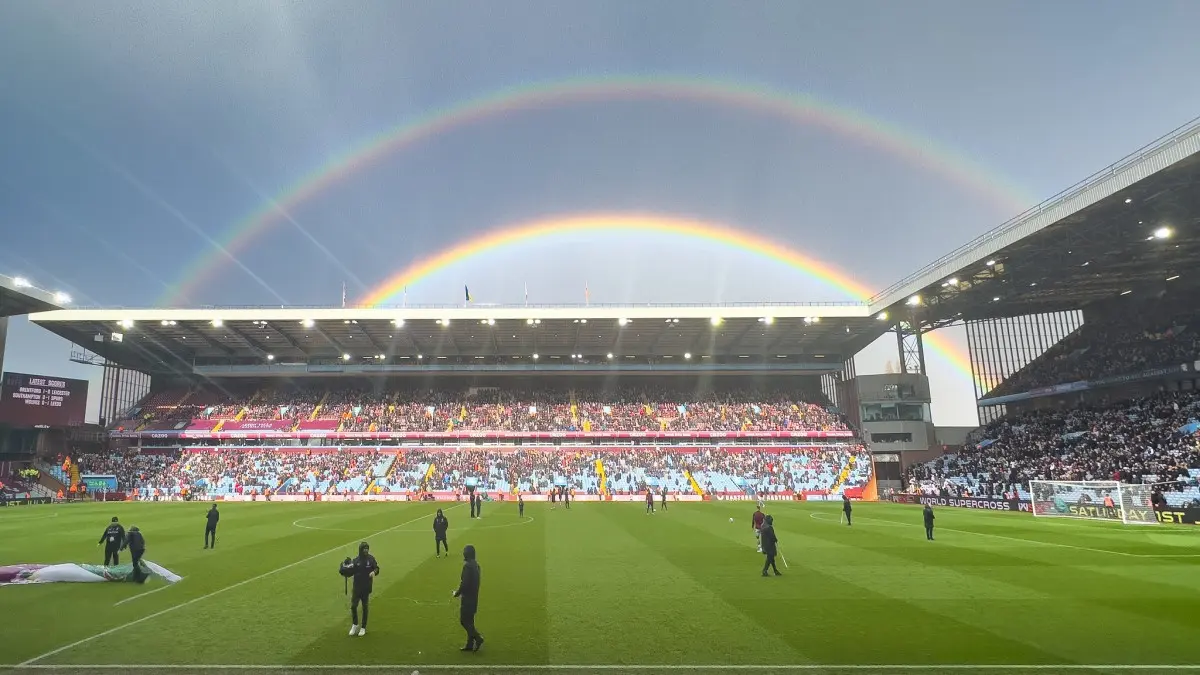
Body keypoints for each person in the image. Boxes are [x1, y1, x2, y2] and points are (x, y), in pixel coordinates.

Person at [339, 542, 379, 637]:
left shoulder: (371, 559)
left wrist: (374, 572)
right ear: (361, 550)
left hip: (366, 587)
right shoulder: (356, 561)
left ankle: (363, 627)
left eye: (367, 549)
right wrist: (344, 566)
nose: (366, 550)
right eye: (364, 549)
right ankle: (355, 624)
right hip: (357, 588)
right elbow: (349, 573)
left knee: (365, 607)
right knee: (353, 606)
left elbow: (377, 568)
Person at [452, 544, 484, 652]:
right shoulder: (476, 565)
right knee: (470, 621)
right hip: (474, 597)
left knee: (464, 621)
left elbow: (464, 584)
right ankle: (469, 644)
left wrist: (457, 593)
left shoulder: (468, 566)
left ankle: (478, 638)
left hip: (468, 598)